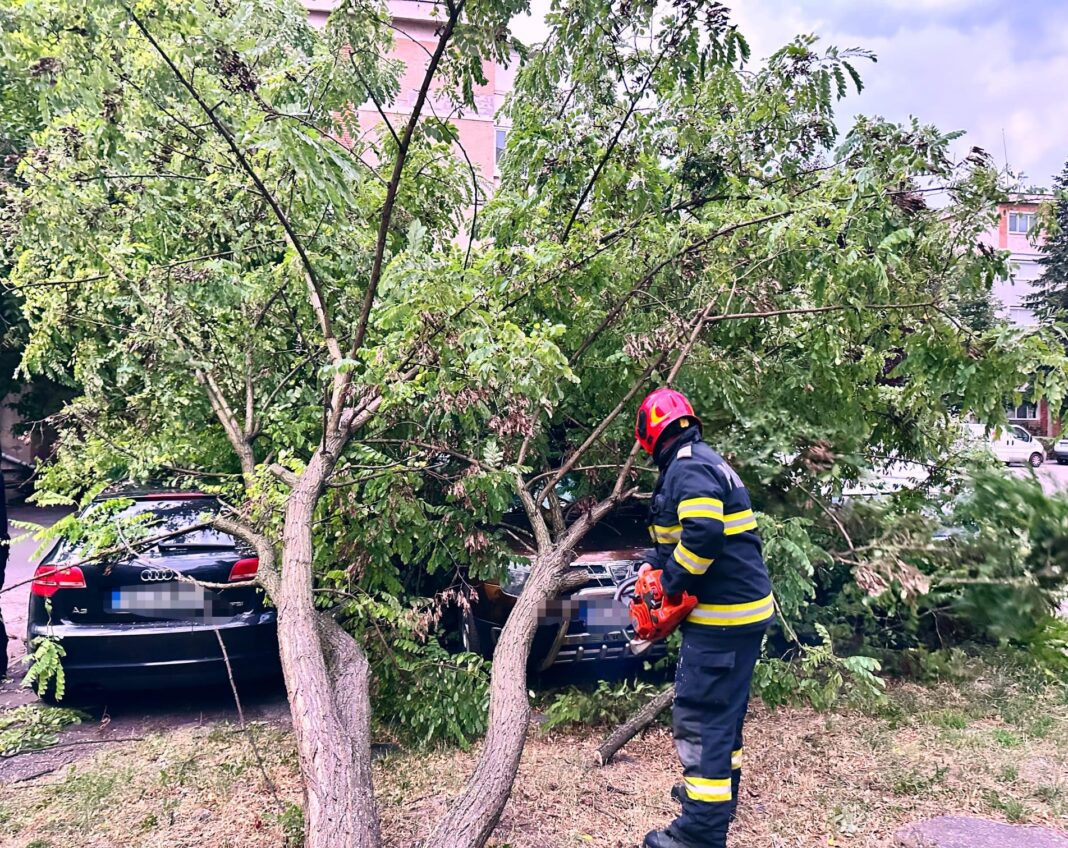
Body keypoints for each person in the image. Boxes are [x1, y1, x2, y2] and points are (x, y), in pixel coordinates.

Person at [635, 387, 774, 848]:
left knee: (702, 718)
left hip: (723, 619)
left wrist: (669, 587)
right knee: (724, 715)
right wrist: (652, 566)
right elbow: (684, 534)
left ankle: (699, 833)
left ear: (650, 433)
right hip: (740, 613)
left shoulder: (688, 467)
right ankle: (717, 799)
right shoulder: (703, 460)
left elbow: (704, 535)